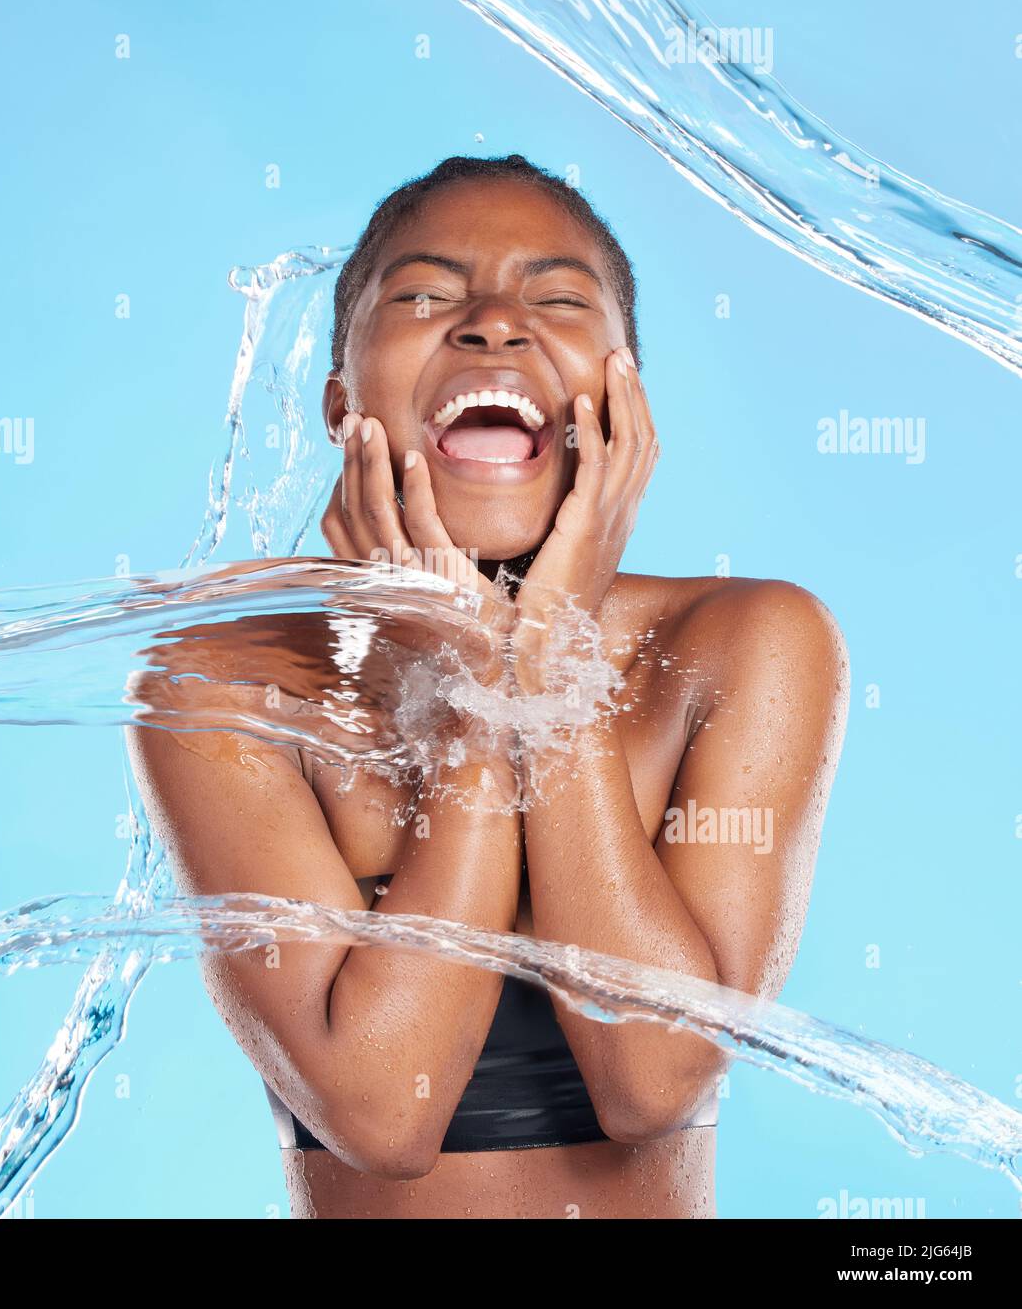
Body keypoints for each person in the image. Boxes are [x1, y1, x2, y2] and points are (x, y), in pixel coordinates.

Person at [127, 153, 849, 1219]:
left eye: (556, 300)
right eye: (424, 295)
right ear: (339, 404)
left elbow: (652, 1077)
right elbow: (379, 1114)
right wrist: (468, 682)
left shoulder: (743, 642)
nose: (495, 323)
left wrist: (545, 654)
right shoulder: (225, 683)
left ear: (624, 403)